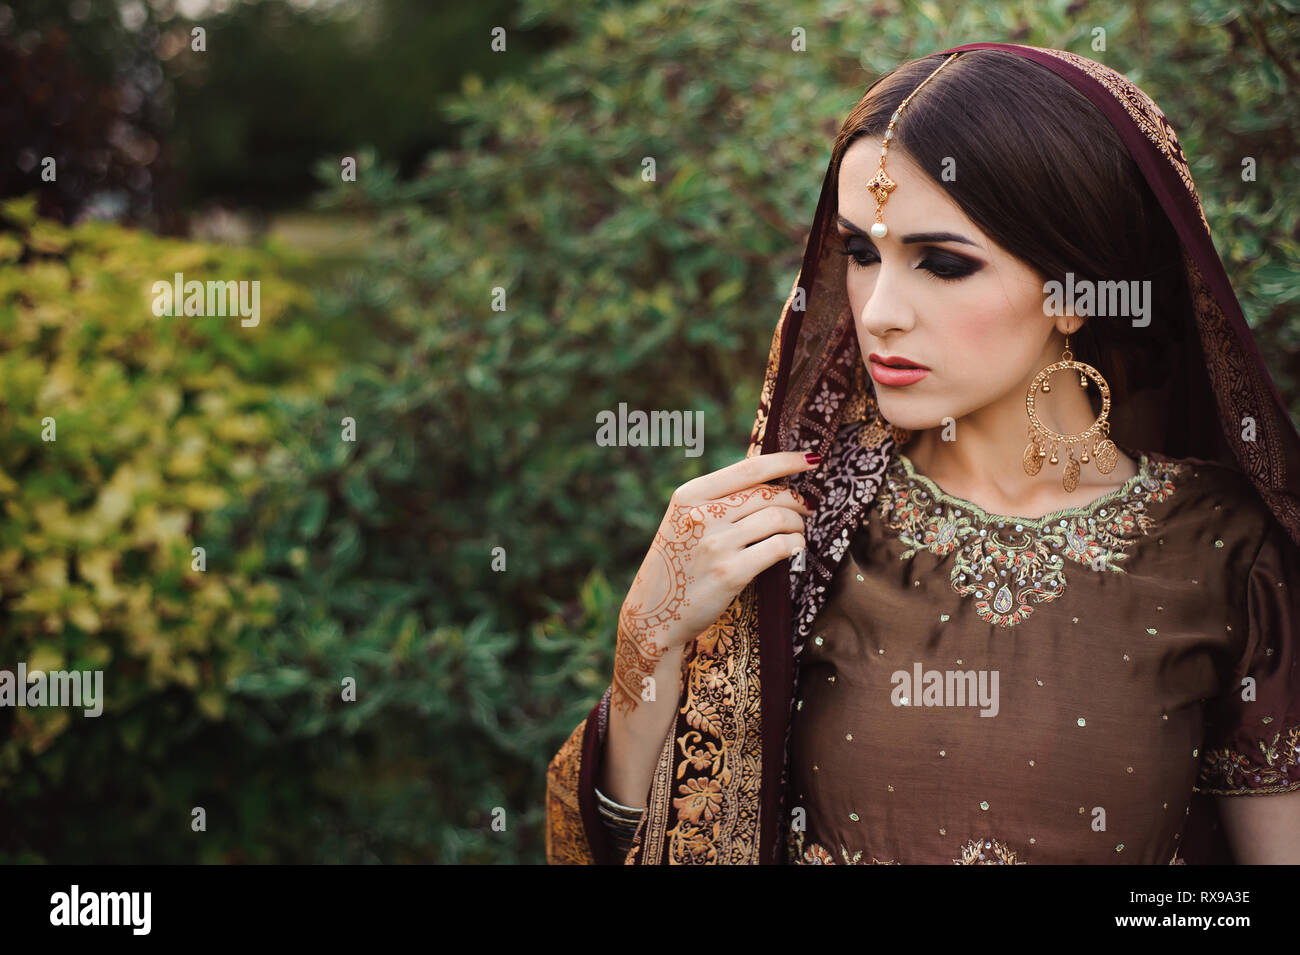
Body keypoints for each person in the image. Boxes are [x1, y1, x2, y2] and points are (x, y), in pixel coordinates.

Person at [546, 42, 1300, 865]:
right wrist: (646, 640)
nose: (880, 312)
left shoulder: (1225, 550)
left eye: (942, 263)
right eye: (861, 255)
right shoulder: (795, 536)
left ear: (1079, 289)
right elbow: (618, 843)